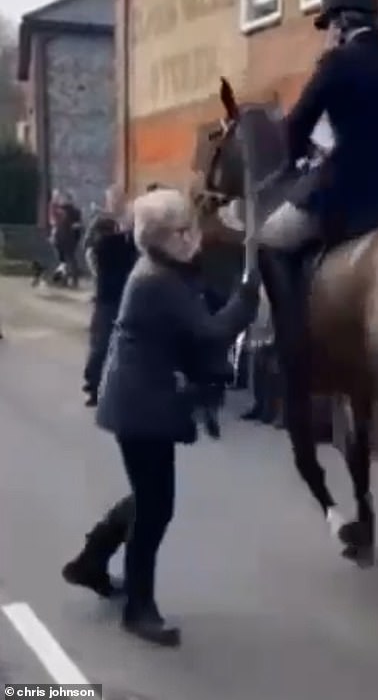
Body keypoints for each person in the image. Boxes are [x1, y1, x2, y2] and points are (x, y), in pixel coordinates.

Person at [62, 188, 259, 647]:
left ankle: (92, 560)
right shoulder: (157, 281)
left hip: (140, 400)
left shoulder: (166, 271)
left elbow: (201, 302)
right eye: (184, 229)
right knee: (156, 507)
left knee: (147, 494)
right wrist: (247, 298)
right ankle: (138, 609)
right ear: (163, 238)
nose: (192, 235)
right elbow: (210, 331)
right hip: (139, 405)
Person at [257, 0, 378, 291]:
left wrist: (291, 161)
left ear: (340, 24)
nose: (328, 34)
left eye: (330, 25)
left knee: (269, 242)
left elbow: (296, 127)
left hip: (352, 192)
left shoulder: (336, 63)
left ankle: (290, 336)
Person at [82, 186, 137, 406]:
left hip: (128, 294)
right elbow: (93, 249)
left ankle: (122, 388)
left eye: (120, 199)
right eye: (113, 199)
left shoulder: (132, 227)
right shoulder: (102, 225)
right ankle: (93, 386)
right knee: (100, 344)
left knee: (127, 345)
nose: (116, 203)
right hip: (107, 295)